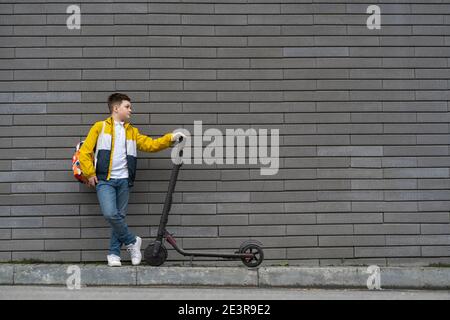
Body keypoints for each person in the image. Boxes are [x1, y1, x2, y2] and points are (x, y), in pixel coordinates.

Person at [79, 93, 185, 267]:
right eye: (127, 106)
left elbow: (151, 145)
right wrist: (90, 173)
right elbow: (85, 151)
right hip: (104, 180)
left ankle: (114, 254)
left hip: (124, 181)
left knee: (119, 216)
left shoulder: (132, 132)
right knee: (110, 214)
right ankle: (132, 241)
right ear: (116, 108)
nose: (131, 109)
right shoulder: (100, 127)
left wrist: (170, 139)